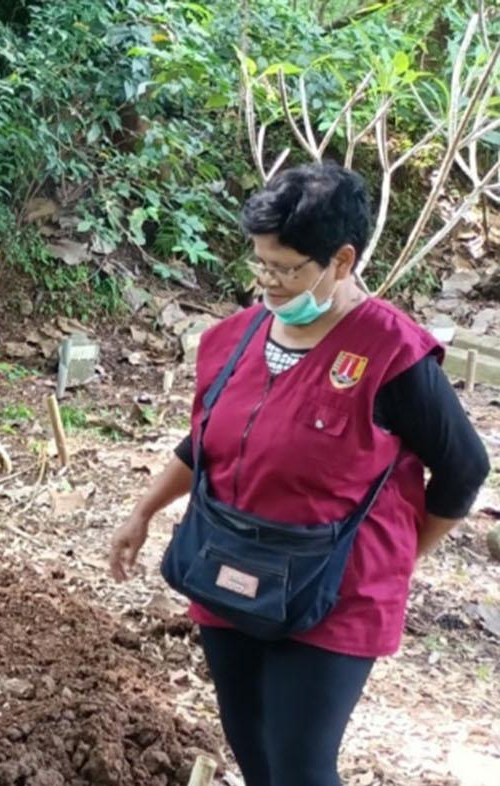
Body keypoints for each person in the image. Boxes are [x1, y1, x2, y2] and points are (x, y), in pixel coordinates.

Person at [108, 163, 491, 786]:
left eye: (285, 268)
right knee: (253, 749)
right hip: (226, 570)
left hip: (334, 595)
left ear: (342, 260)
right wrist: (143, 511)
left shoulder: (391, 353)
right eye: (259, 263)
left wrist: (404, 556)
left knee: (300, 767)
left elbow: (465, 467)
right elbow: (205, 442)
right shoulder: (235, 339)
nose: (268, 282)